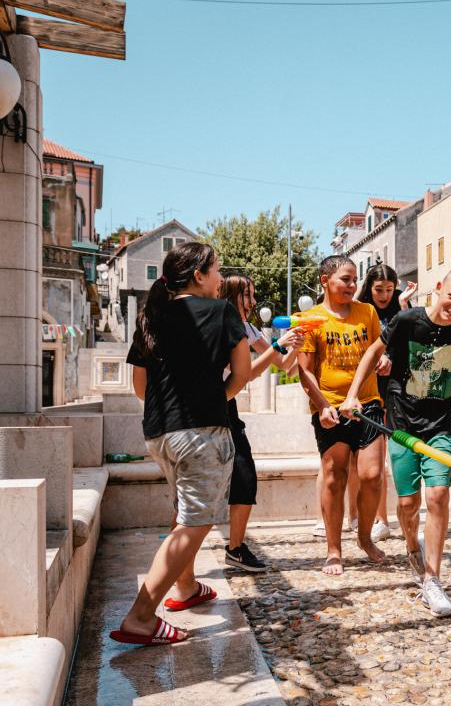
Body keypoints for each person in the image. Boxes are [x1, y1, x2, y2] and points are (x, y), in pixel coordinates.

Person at [110, 242, 250, 646]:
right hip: (202, 432)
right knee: (196, 522)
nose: (221, 278)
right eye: (217, 270)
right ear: (199, 275)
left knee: (185, 512)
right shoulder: (223, 312)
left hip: (159, 433)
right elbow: (241, 374)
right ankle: (141, 615)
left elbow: (140, 386)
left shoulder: (152, 314)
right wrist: (208, 400)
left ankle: (186, 589)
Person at [342, 266, 451, 618]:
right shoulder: (407, 320)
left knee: (439, 494)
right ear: (438, 287)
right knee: (409, 504)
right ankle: (412, 544)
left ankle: (433, 580)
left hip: (440, 427)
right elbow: (371, 353)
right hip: (400, 426)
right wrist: (353, 395)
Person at [296, 255, 387, 575]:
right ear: (325, 281)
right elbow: (304, 371)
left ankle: (364, 538)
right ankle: (334, 550)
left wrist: (385, 360)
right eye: (345, 279)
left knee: (373, 475)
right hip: (330, 408)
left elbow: (378, 350)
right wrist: (322, 405)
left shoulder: (368, 312)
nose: (352, 285)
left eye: (353, 280)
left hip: (369, 402)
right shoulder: (310, 320)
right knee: (334, 479)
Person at [217, 272, 303, 572]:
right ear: (230, 295)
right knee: (238, 477)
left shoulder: (249, 328)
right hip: (215, 406)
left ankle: (235, 549)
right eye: (247, 295)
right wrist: (278, 346)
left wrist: (295, 345)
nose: (253, 301)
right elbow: (246, 373)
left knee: (245, 477)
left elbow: (284, 367)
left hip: (229, 408)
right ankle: (228, 549)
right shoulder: (222, 325)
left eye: (253, 295)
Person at [357, 264, 417, 543]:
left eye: (389, 289)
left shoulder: (403, 309)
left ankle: (403, 514)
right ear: (369, 288)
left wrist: (404, 306)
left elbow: (414, 343)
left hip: (399, 389)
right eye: (378, 289)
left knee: (399, 454)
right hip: (369, 389)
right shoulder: (361, 310)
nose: (384, 295)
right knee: (375, 459)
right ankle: (380, 519)